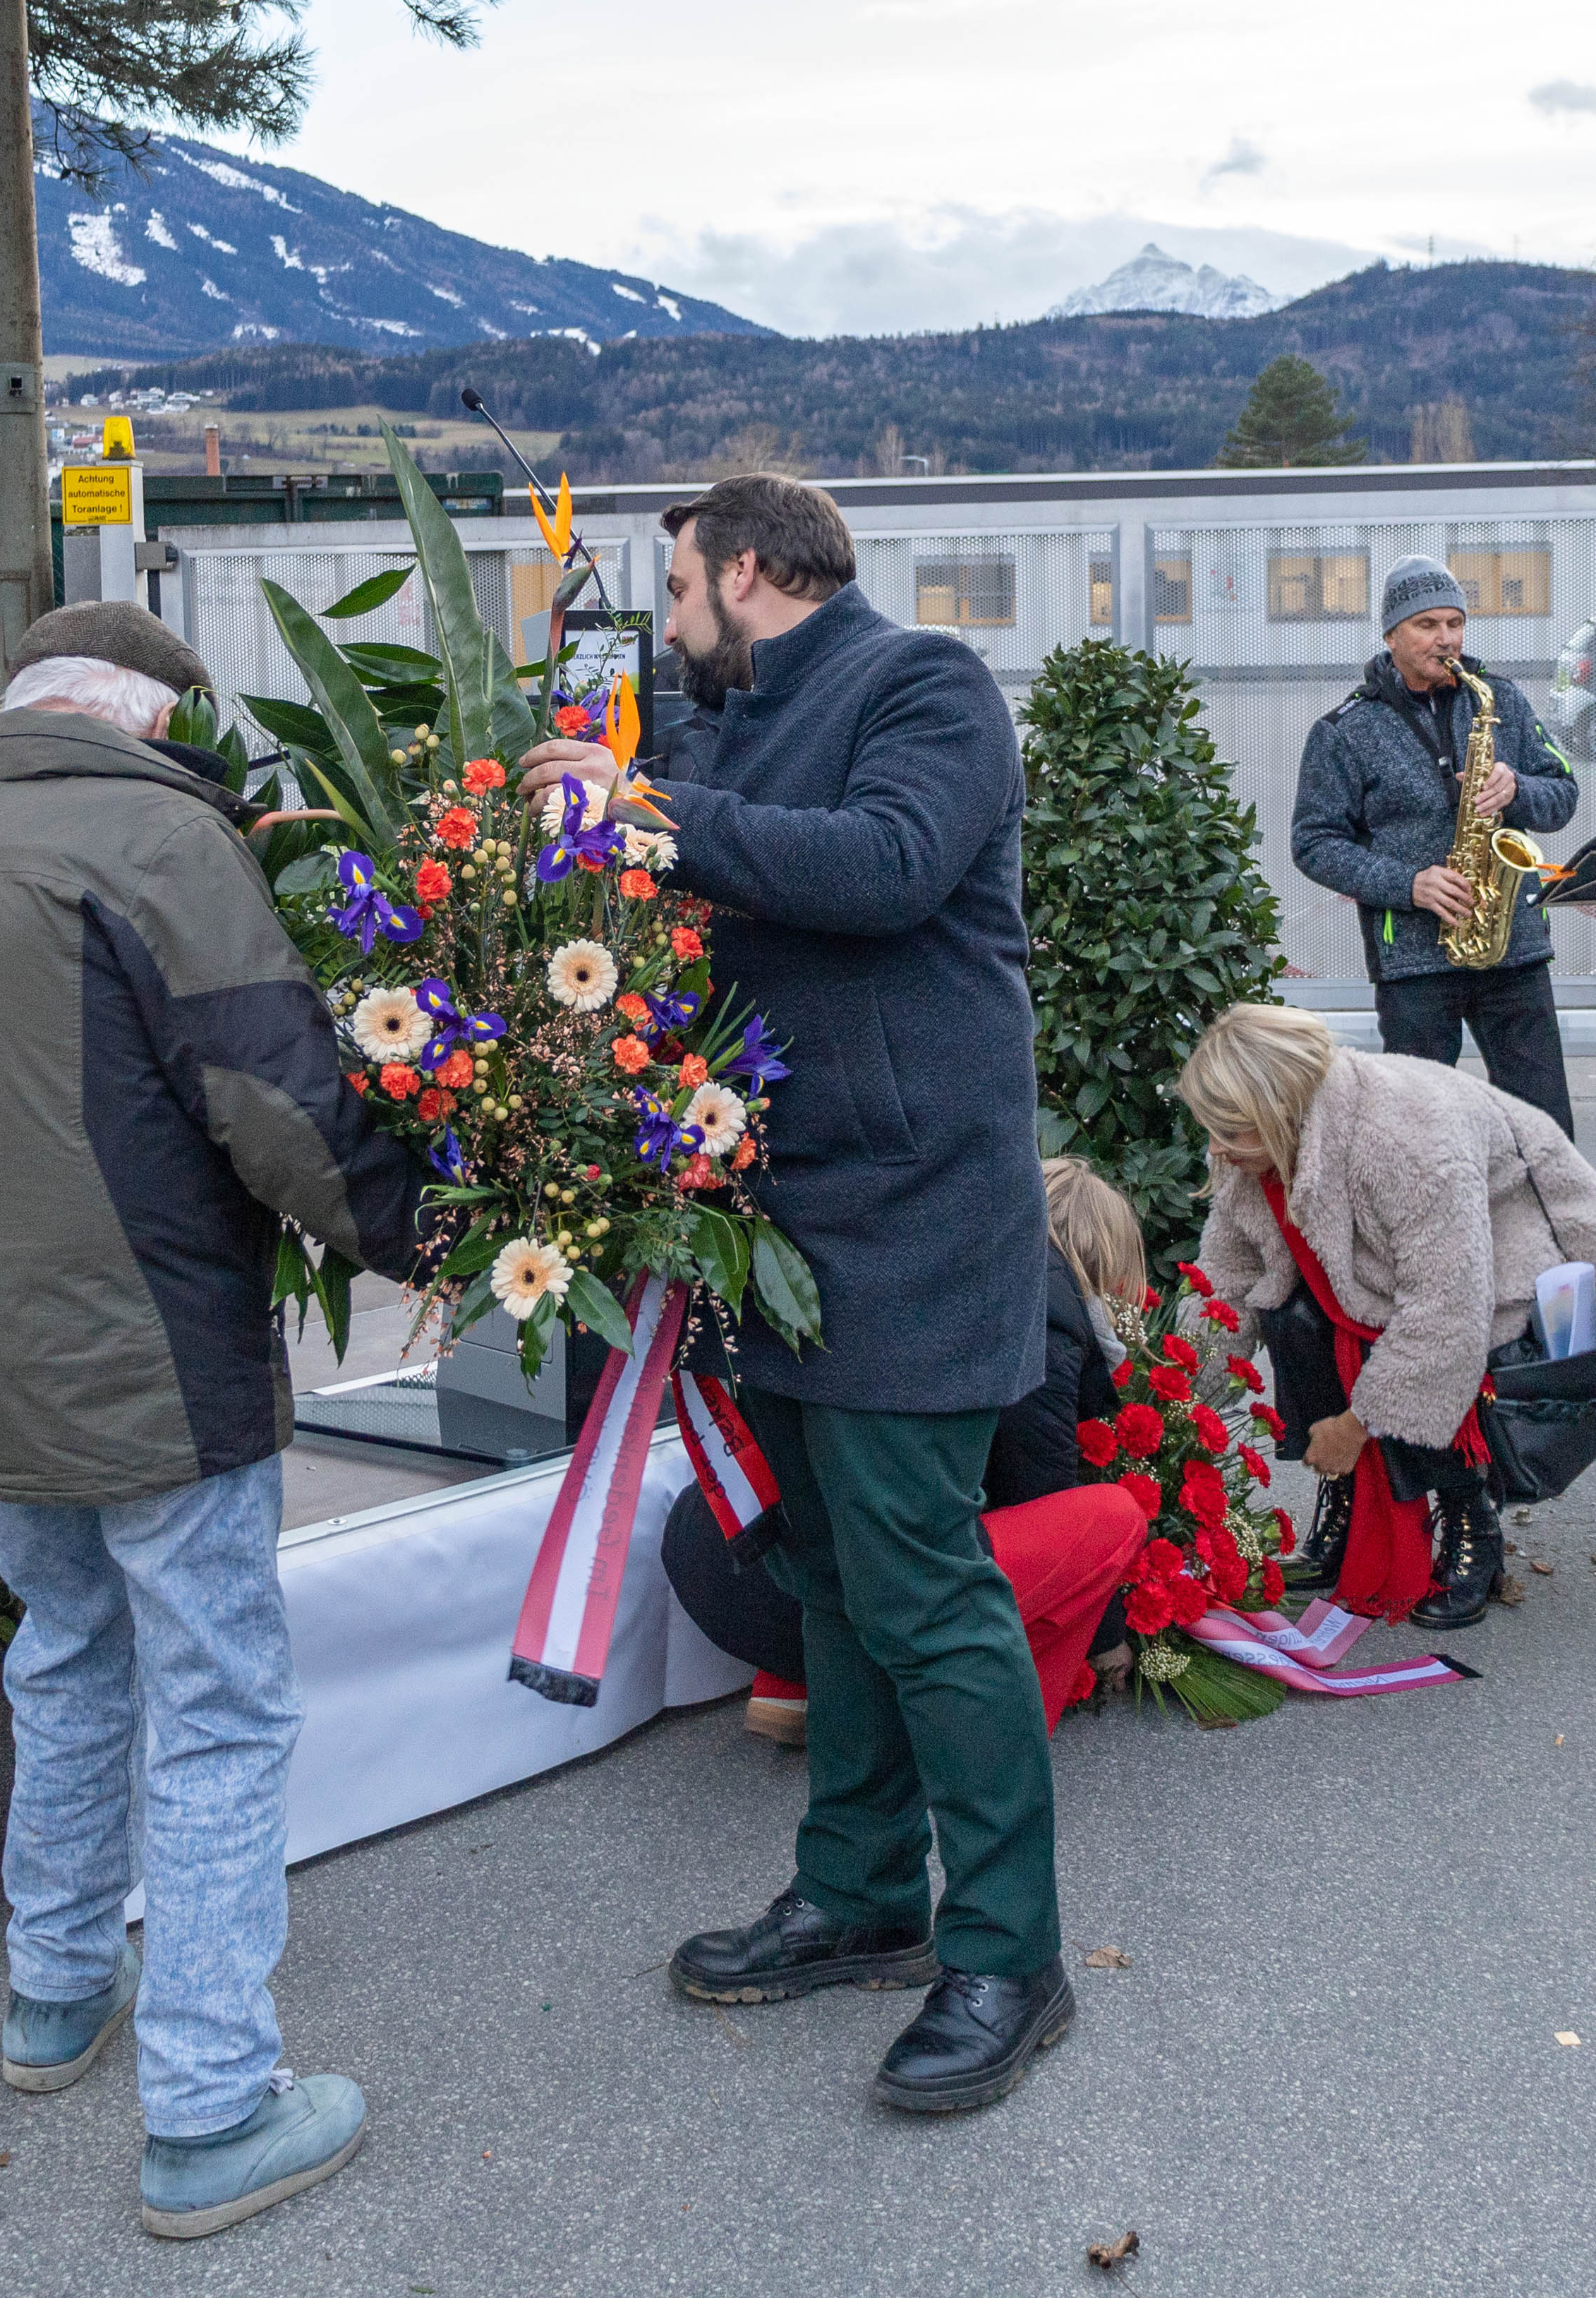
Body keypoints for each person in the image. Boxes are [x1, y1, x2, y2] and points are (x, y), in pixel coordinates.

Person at [509, 474, 1070, 2114]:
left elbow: (887, 865)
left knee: (920, 1575)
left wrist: (654, 818)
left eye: (677, 592)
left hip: (908, 1215)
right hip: (773, 1216)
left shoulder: (920, 685)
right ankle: (859, 1891)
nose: (668, 626)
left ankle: (1006, 1953)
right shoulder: (728, 721)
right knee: (823, 1559)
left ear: (746, 569)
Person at [0, 601, 422, 2239]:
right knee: (220, 1709)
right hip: (146, 1351)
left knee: (65, 1651)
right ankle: (205, 2108)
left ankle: (54, 1996)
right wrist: (434, 1230)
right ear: (148, 714)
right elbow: (276, 1096)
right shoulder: (153, 843)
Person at [661, 1155, 1148, 1744]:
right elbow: (1039, 1488)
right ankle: (993, 1732)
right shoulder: (1040, 1319)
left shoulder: (923, 1255)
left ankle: (791, 1689)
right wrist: (1108, 1634)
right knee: (1111, 1521)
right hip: (835, 1596)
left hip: (717, 1550)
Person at [1181, 1004, 1596, 1632]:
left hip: (1508, 1246)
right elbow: (1225, 1282)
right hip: (1389, 1261)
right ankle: (1347, 1493)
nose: (1217, 1151)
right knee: (1292, 1315)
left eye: (1231, 1132)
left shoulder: (1407, 1142)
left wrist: (1355, 1427)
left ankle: (1471, 1512)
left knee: (1436, 1348)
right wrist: (1172, 1396)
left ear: (1283, 1110)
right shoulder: (1253, 1142)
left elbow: (1447, 1314)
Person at [1291, 556, 1583, 1135]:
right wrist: (1408, 885)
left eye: (1455, 622)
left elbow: (1565, 793)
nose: (1446, 638)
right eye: (1427, 625)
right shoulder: (1344, 729)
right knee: (1415, 1137)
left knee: (1545, 1131)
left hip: (1512, 952)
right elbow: (1314, 843)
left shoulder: (1501, 699)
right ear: (1392, 634)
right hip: (1415, 962)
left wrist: (1519, 789)